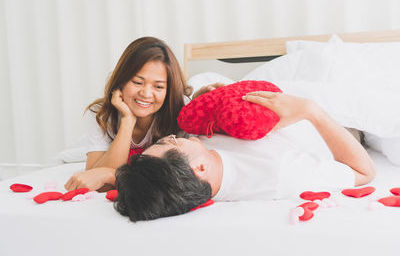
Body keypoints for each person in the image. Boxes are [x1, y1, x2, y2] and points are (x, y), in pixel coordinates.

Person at [113, 91, 376, 222]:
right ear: (199, 169)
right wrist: (311, 110)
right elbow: (364, 172)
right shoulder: (280, 174)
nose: (171, 137)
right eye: (170, 143)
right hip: (332, 119)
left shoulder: (193, 161)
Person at [64, 36, 193, 191]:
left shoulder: (182, 111)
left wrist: (110, 175)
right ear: (122, 80)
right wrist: (127, 121)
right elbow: (94, 179)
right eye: (137, 82)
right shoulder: (103, 114)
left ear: (169, 90)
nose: (146, 93)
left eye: (158, 87)